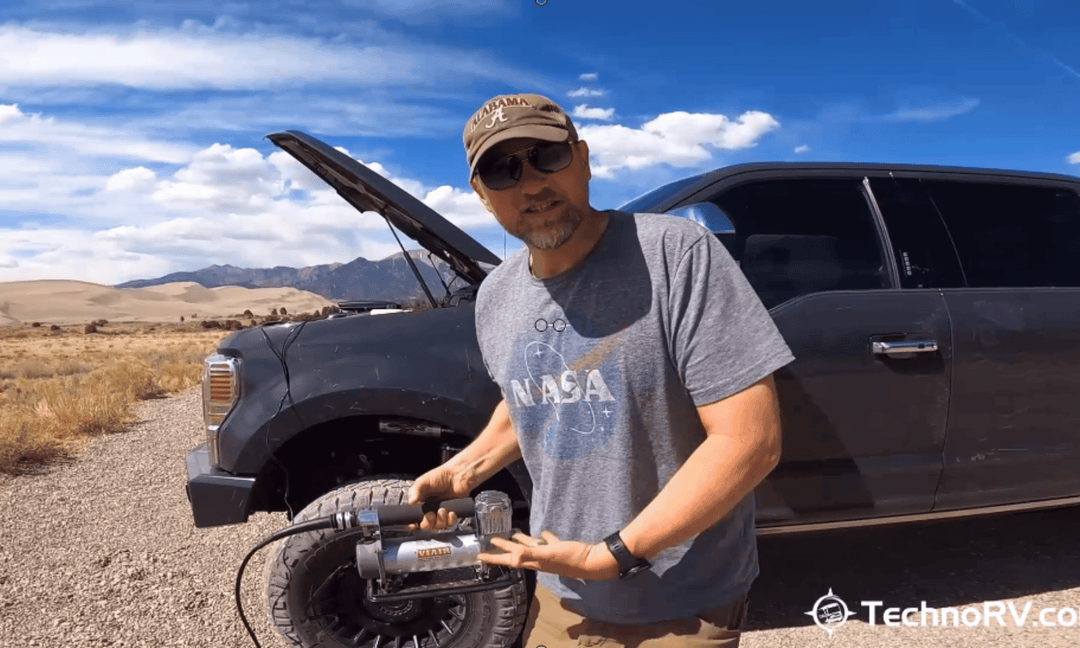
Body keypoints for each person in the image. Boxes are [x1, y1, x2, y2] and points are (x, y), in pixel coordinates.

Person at [407, 93, 795, 647]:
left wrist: (611, 553)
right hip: (560, 595)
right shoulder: (496, 295)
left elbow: (751, 441)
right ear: (482, 195)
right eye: (503, 170)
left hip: (682, 602)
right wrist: (464, 472)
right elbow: (537, 396)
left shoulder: (676, 254)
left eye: (548, 157)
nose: (532, 183)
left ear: (583, 159)